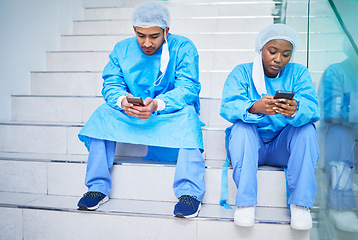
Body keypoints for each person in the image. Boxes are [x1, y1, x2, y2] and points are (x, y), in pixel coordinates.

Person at [76, 1, 205, 219]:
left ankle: (189, 194)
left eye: (154, 36)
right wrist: (122, 100)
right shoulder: (122, 49)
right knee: (102, 114)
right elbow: (111, 84)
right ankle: (97, 187)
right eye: (140, 35)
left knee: (189, 117)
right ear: (134, 30)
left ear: (167, 31)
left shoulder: (183, 47)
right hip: (132, 113)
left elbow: (188, 87)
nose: (146, 43)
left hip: (168, 113)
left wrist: (158, 104)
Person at [220, 24, 320, 230]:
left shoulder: (299, 73)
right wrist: (255, 107)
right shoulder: (242, 73)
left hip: (282, 147)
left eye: (286, 54)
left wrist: (295, 110)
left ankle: (301, 204)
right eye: (272, 52)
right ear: (260, 49)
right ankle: (245, 203)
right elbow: (228, 106)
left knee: (307, 128)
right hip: (251, 146)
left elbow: (312, 107)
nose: (278, 59)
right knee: (241, 127)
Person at [318, 40, 358, 232]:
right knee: (339, 132)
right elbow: (332, 111)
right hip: (343, 141)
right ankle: (339, 204)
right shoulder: (335, 72)